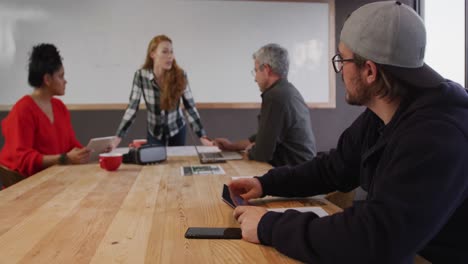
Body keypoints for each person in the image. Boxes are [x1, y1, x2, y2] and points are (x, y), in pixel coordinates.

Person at [230, 2, 468, 263]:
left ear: (369, 71)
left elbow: (374, 239)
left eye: (342, 60)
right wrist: (266, 183)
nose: (340, 71)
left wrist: (269, 226)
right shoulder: (383, 114)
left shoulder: (438, 135)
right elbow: (332, 168)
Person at [0, 44, 90, 188]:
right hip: (24, 187)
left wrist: (92, 151)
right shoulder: (23, 109)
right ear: (47, 79)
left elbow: (71, 145)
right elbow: (23, 159)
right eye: (61, 76)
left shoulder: (59, 107)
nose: (65, 81)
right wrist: (64, 158)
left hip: (52, 181)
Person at [214, 44, 316, 166]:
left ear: (266, 69)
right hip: (301, 170)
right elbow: (264, 136)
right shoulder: (286, 91)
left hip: (296, 177)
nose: (255, 78)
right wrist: (231, 146)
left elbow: (262, 153)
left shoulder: (275, 96)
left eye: (256, 71)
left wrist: (252, 150)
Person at [114, 35, 211, 147]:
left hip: (177, 130)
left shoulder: (180, 75)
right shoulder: (140, 76)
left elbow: (190, 108)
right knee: (156, 163)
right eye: (165, 52)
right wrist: (117, 139)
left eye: (171, 52)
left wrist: (203, 138)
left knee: (176, 163)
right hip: (154, 132)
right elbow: (132, 109)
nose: (170, 56)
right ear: (152, 54)